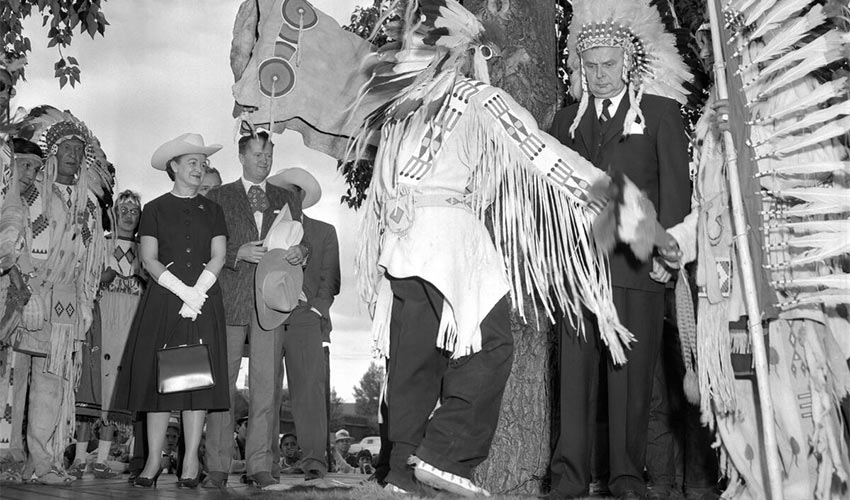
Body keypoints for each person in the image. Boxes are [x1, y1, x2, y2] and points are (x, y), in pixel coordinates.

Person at [342, 0, 672, 495]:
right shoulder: (477, 98)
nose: (485, 64)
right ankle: (445, 455)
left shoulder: (400, 110)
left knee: (413, 362)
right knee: (492, 347)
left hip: (401, 246)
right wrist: (644, 226)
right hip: (451, 240)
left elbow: (385, 191)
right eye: (483, 54)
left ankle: (400, 473)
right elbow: (554, 162)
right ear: (467, 54)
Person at [548, 1, 692, 499]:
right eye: (591, 66)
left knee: (631, 385)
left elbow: (676, 192)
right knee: (574, 382)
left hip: (636, 267)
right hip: (577, 271)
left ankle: (627, 478)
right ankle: (568, 478)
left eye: (610, 65)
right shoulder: (563, 123)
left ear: (628, 63)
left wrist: (668, 256)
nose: (601, 75)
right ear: (580, 68)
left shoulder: (660, 113)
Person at [113, 132, 230, 489]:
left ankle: (191, 461)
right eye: (193, 162)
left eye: (203, 163)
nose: (200, 168)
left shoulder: (213, 210)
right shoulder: (155, 209)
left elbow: (219, 255)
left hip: (204, 300)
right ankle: (152, 460)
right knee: (160, 383)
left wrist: (197, 294)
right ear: (174, 167)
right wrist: (182, 292)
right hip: (165, 302)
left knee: (195, 381)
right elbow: (148, 258)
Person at [8, 110, 113, 485]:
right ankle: (11, 456)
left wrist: (86, 302)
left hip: (67, 300)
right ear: (52, 152)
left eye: (78, 148)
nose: (72, 152)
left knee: (53, 381)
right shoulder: (31, 193)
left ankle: (45, 460)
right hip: (28, 295)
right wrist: (25, 292)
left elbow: (91, 261)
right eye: (65, 146)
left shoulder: (87, 205)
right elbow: (15, 243)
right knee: (12, 378)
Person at [203, 131, 308, 490]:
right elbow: (204, 246)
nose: (265, 160)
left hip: (271, 304)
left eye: (269, 154)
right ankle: (216, 464)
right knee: (222, 386)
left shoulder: (286, 197)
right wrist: (237, 254)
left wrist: (300, 253)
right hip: (228, 299)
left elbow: (300, 240)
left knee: (266, 387)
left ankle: (260, 465)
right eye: (258, 154)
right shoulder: (218, 196)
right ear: (242, 156)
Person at [267, 166, 340, 479]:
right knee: (264, 390)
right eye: (283, 193)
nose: (289, 200)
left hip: (304, 318)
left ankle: (314, 460)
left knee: (309, 390)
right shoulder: (266, 233)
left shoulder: (324, 231)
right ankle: (263, 463)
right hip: (267, 317)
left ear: (303, 198)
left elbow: (331, 280)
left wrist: (316, 309)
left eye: (294, 194)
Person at [0, 137, 43, 478]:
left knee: (11, 379)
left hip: (12, 302)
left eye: (35, 168)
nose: (30, 174)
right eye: (24, 165)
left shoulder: (26, 208)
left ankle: (9, 453)